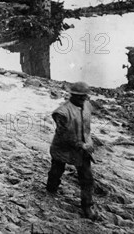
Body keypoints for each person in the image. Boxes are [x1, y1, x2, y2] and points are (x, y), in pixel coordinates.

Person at [46, 82, 98, 221]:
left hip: (83, 149)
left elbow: (87, 127)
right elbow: (63, 135)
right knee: (56, 171)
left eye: (85, 96)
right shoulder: (61, 112)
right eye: (80, 97)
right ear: (72, 95)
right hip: (63, 148)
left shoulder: (87, 105)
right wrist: (81, 144)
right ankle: (51, 189)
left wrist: (88, 142)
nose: (83, 99)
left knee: (87, 178)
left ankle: (87, 206)